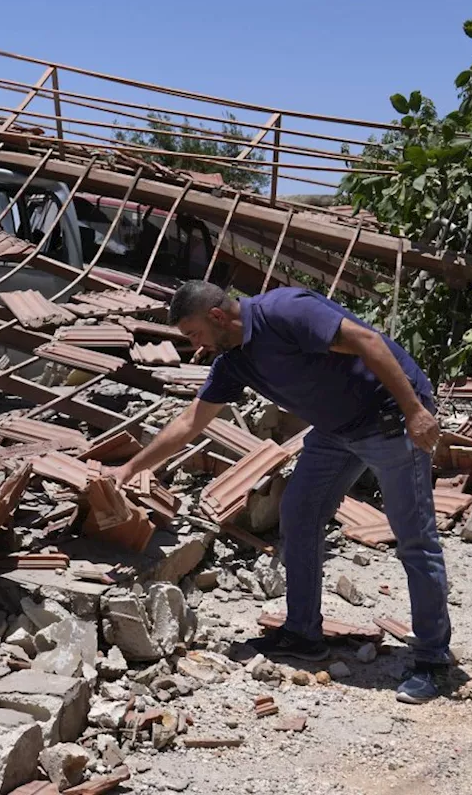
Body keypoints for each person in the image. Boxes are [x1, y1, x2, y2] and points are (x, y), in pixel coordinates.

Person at [109, 282, 452, 703]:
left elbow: (368, 341)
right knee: (299, 514)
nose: (194, 346)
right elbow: (190, 423)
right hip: (336, 431)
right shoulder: (234, 361)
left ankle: (433, 660)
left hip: (390, 420)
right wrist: (129, 469)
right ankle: (303, 634)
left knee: (414, 540)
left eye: (193, 333)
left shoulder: (285, 311)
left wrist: (416, 412)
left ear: (217, 317)